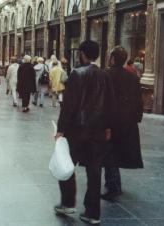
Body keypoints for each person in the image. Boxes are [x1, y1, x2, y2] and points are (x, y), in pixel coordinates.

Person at [54, 40, 114, 225]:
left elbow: (69, 106)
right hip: (97, 132)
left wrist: (61, 129)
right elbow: (111, 105)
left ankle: (68, 203)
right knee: (95, 171)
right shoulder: (105, 75)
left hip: (76, 130)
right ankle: (93, 213)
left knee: (66, 165)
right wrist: (108, 127)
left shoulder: (76, 74)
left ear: (82, 54)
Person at [102, 46, 144, 201]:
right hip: (127, 122)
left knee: (109, 153)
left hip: (110, 122)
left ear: (113, 58)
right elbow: (139, 101)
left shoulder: (106, 75)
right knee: (115, 152)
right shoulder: (133, 77)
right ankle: (112, 183)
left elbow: (103, 100)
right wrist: (136, 119)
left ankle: (113, 186)